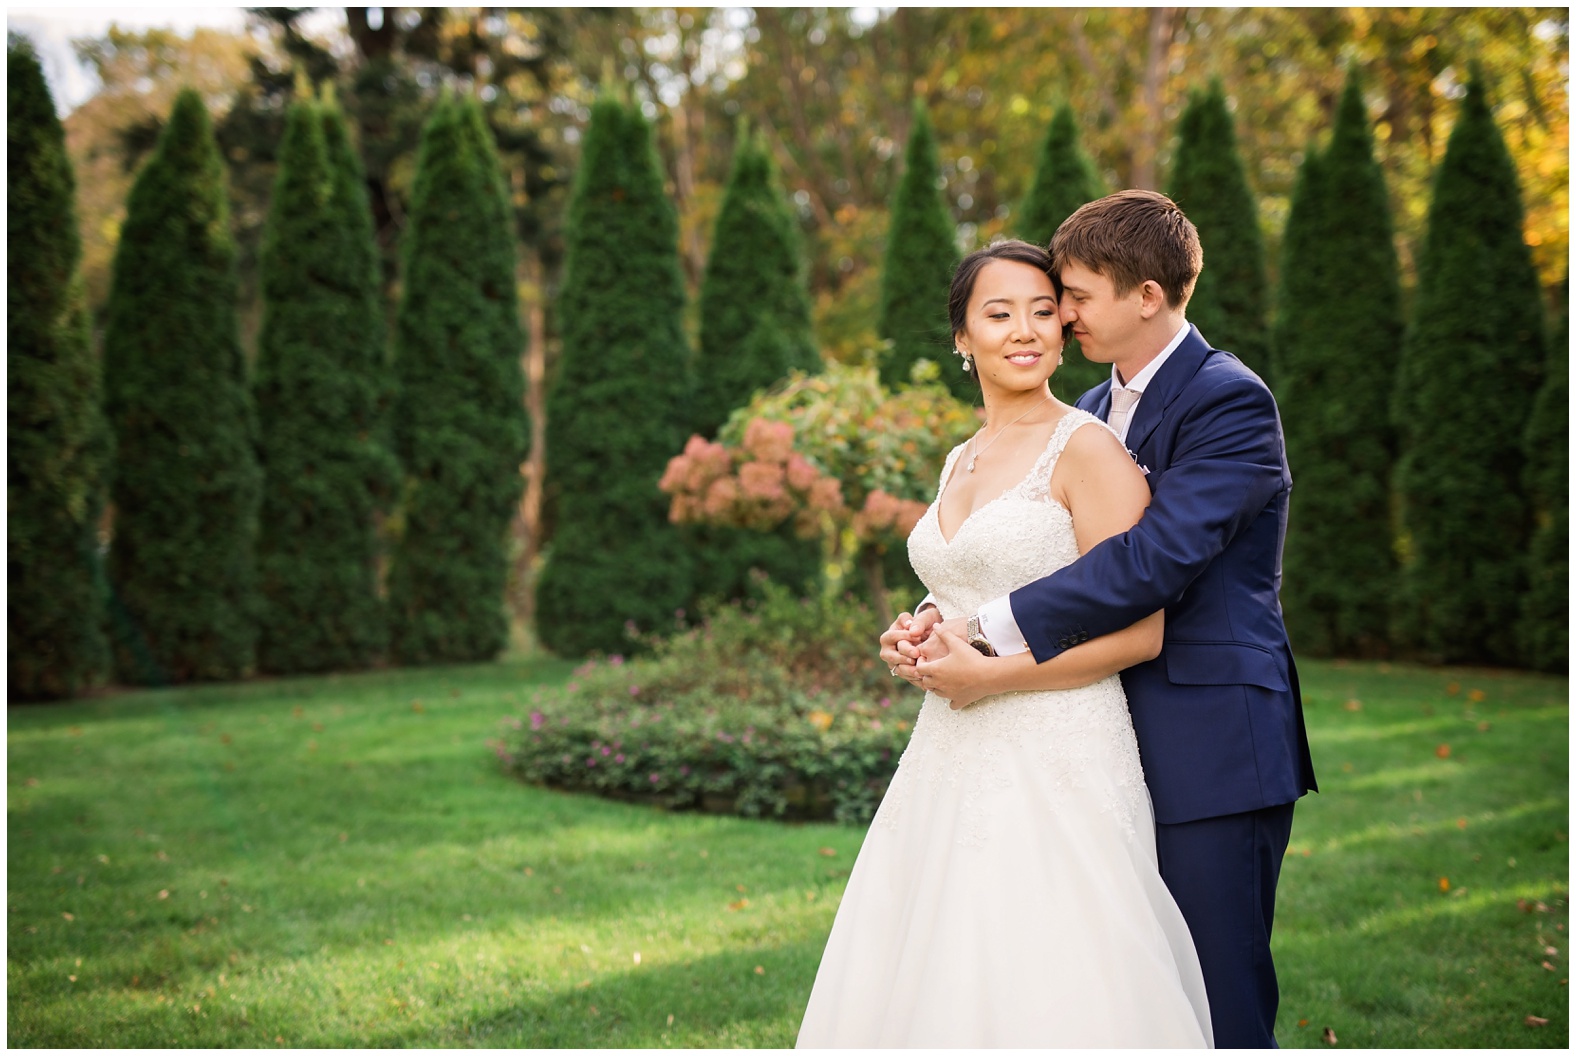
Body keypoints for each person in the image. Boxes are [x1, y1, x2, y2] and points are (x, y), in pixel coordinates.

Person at [887, 190, 1317, 1047]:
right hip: (1091, 735)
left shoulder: (1230, 401)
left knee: (1211, 998)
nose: (1060, 316)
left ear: (1146, 295)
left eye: (1072, 298)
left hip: (1211, 736)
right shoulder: (1087, 406)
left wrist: (987, 627)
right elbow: (1042, 548)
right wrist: (942, 616)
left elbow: (1152, 562)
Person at [796, 239, 1213, 1047]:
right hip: (948, 749)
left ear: (1063, 332)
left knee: (1049, 963)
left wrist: (992, 679)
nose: (1024, 330)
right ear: (962, 338)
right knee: (933, 957)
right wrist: (921, 625)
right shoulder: (965, 455)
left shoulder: (1085, 448)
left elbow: (1141, 631)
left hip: (1057, 745)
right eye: (999, 313)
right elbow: (971, 584)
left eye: (1042, 311)